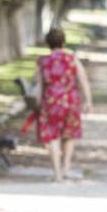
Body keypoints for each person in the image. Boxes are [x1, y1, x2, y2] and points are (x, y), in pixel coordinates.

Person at [32, 28, 92, 181]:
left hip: (50, 102)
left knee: (52, 137)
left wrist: (38, 104)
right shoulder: (72, 59)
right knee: (69, 135)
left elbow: (39, 85)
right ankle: (66, 169)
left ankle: (57, 173)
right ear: (63, 42)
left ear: (48, 44)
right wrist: (88, 101)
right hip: (70, 101)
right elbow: (83, 80)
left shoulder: (42, 61)